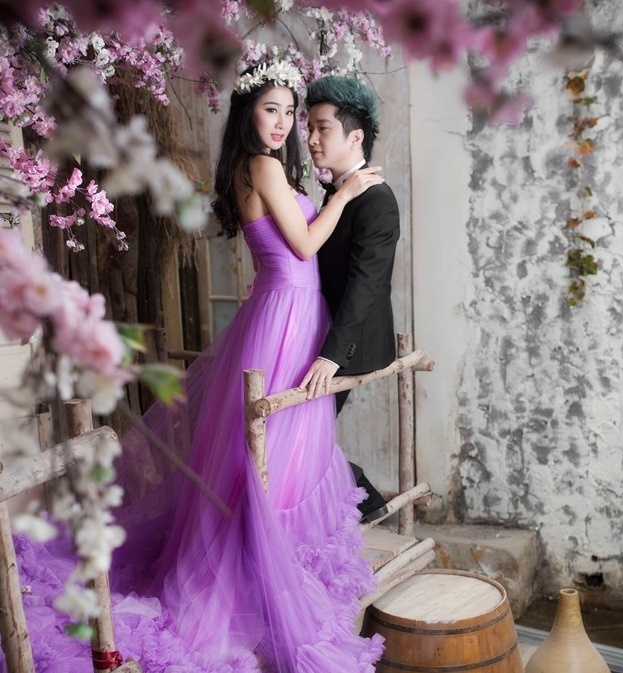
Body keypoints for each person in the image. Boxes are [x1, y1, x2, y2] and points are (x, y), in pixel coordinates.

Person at [3, 62, 385, 673]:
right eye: (272, 109)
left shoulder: (261, 167)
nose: (284, 123)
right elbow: (306, 246)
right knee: (266, 462)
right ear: (247, 112)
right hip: (284, 319)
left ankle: (270, 575)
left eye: (291, 112)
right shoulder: (260, 165)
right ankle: (253, 587)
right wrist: (345, 192)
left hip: (288, 313)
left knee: (276, 457)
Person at [300, 76, 401, 524]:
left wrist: (331, 355)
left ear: (355, 137)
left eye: (322, 128)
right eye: (309, 128)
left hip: (349, 343)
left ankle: (363, 496)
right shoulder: (338, 194)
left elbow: (366, 284)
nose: (311, 139)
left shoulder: (376, 200)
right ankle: (363, 503)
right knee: (298, 434)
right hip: (317, 330)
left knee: (301, 434)